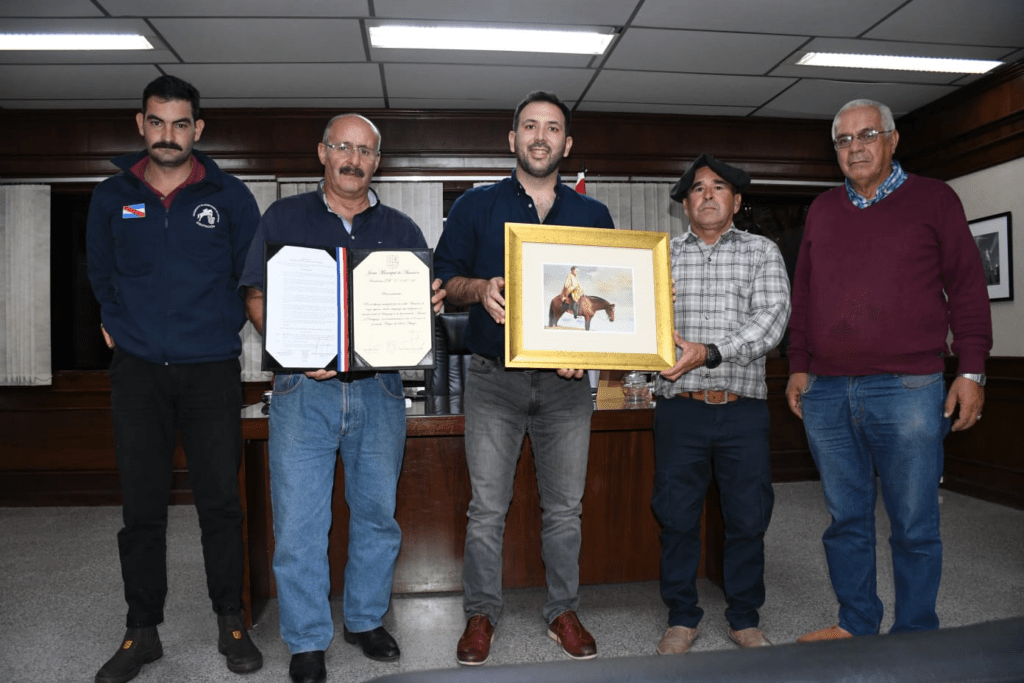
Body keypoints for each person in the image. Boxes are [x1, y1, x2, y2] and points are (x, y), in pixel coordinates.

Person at [240, 113, 444, 683]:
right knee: (301, 520)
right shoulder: (283, 216)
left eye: (365, 151)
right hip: (303, 390)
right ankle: (307, 640)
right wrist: (293, 349)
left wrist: (422, 306)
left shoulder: (402, 229)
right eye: (342, 147)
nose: (353, 159)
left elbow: (419, 306)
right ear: (323, 154)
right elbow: (255, 293)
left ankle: (364, 619)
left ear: (377, 162)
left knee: (377, 514)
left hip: (379, 391)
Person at [786, 99, 992, 642]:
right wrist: (798, 366)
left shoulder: (935, 199)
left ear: (893, 140)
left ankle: (916, 633)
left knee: (914, 524)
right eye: (844, 140)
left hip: (909, 389)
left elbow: (969, 289)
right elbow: (803, 295)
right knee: (845, 522)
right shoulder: (823, 210)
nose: (855, 147)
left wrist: (972, 372)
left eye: (867, 135)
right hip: (827, 392)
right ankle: (856, 622)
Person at [86, 75, 263, 683]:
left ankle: (231, 621)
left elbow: (250, 280)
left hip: (211, 369)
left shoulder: (231, 196)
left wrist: (223, 329)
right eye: (157, 122)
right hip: (137, 374)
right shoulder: (112, 196)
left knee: (220, 503)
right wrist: (116, 321)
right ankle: (142, 631)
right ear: (141, 124)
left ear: (198, 129)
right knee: (142, 509)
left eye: (180, 123)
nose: (168, 135)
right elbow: (100, 273)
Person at [434, 90, 615, 666]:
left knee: (565, 509)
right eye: (530, 126)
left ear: (567, 143)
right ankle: (480, 614)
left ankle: (562, 610)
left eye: (553, 128)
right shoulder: (474, 207)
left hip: (567, 388)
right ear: (512, 140)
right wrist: (479, 288)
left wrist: (587, 352)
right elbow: (443, 282)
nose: (541, 136)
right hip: (493, 380)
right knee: (487, 509)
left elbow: (611, 315)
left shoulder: (594, 216)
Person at [651, 154, 791, 655]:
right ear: (684, 204)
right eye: (696, 189)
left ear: (735, 200)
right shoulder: (658, 256)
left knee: (748, 517)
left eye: (718, 187)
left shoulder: (762, 252)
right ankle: (682, 617)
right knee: (677, 516)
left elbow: (771, 321)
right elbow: (638, 321)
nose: (706, 195)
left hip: (742, 409)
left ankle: (744, 617)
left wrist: (708, 352)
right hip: (679, 408)